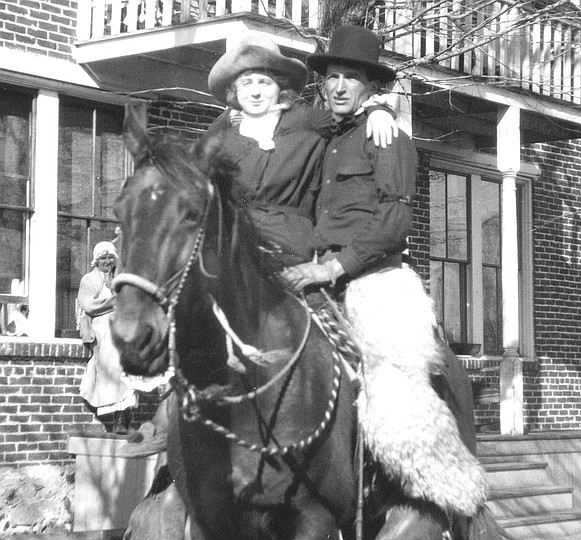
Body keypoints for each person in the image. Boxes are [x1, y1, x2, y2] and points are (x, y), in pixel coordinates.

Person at [123, 30, 399, 453]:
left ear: (281, 87)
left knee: (320, 322)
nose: (256, 91)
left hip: (288, 243)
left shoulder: (307, 121)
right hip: (234, 243)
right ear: (233, 91)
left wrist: (381, 107)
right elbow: (192, 185)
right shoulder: (221, 133)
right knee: (194, 305)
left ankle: (352, 421)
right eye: (246, 82)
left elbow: (350, 120)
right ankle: (174, 417)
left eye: (265, 81)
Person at [281, 25, 488, 540]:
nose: (341, 86)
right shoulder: (321, 136)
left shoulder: (388, 137)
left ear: (370, 83)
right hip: (312, 277)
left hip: (370, 275)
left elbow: (394, 221)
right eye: (333, 77)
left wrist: (334, 265)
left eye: (352, 76)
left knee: (394, 384)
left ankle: (417, 491)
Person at [78, 241, 137, 434]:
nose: (107, 261)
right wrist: (113, 302)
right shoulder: (89, 280)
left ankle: (124, 414)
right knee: (111, 366)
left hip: (121, 328)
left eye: (110, 257)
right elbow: (90, 306)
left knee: (126, 368)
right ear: (96, 260)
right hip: (101, 329)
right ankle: (118, 417)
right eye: (103, 258)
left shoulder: (120, 280)